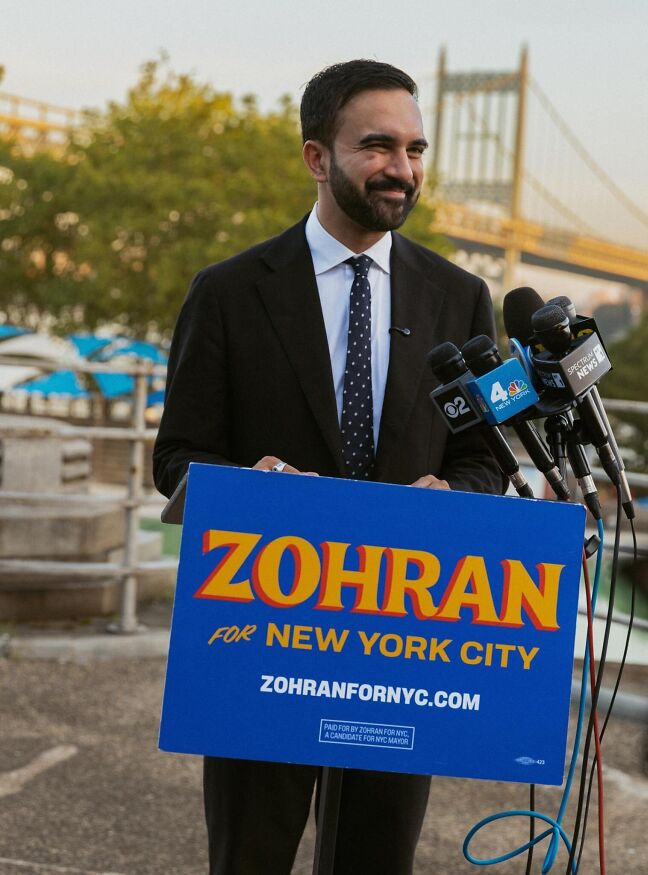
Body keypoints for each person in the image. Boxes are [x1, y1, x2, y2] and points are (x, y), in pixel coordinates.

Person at [154, 59, 506, 875]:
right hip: (264, 634)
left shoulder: (460, 297)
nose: (403, 169)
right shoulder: (229, 291)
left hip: (402, 646)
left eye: (416, 148)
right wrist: (250, 483)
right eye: (378, 146)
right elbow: (176, 455)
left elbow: (482, 455)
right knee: (249, 857)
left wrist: (454, 491)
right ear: (318, 158)